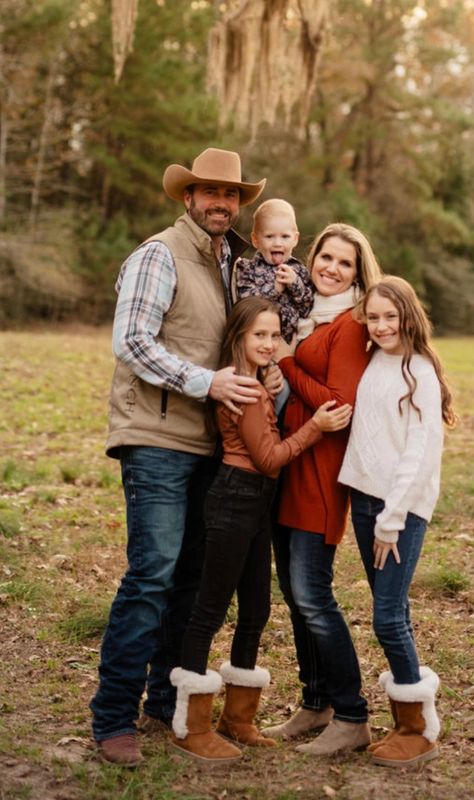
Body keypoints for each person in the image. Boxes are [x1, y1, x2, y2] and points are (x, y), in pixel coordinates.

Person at [90, 148, 271, 767]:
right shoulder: (159, 255)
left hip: (209, 443)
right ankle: (113, 718)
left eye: (231, 194)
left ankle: (164, 702)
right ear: (188, 197)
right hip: (157, 439)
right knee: (152, 576)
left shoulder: (231, 264)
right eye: (210, 192)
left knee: (190, 578)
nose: (222, 202)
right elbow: (132, 341)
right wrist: (207, 383)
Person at [169, 296, 353, 764]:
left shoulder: (255, 382)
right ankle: (191, 727)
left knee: (255, 610)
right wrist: (315, 427)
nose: (270, 343)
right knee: (209, 610)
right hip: (236, 498)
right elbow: (269, 459)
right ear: (239, 337)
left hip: (255, 503)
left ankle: (238, 719)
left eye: (275, 335)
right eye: (260, 335)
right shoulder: (246, 390)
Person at [262, 223, 383, 756]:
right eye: (325, 257)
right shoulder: (306, 316)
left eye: (345, 263)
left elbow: (339, 403)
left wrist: (288, 363)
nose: (331, 268)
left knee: (312, 593)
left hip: (321, 472)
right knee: (294, 594)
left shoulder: (351, 325)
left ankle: (352, 714)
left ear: (358, 274)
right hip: (290, 462)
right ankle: (316, 702)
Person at [338, 276, 457, 767]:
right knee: (393, 609)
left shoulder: (420, 372)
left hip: (398, 509)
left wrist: (392, 519)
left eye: (391, 316)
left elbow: (420, 453)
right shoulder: (372, 358)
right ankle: (407, 718)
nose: (382, 325)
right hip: (365, 500)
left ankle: (418, 729)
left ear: (408, 316)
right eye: (373, 317)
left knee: (386, 618)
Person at [235, 198, 313, 344]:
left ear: (295, 239)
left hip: (292, 346)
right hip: (260, 344)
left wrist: (295, 284)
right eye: (269, 236)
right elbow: (246, 306)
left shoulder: (299, 271)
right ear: (256, 239)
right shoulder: (248, 270)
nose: (277, 243)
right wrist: (274, 290)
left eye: (285, 236)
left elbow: (308, 307)